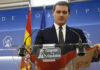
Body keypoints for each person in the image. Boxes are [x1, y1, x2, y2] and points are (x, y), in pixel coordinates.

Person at [35, 1, 100, 57]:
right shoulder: (42, 33)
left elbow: (87, 54)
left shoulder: (78, 33)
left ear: (68, 14)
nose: (61, 15)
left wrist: (95, 51)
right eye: (58, 12)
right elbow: (34, 54)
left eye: (64, 12)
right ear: (53, 13)